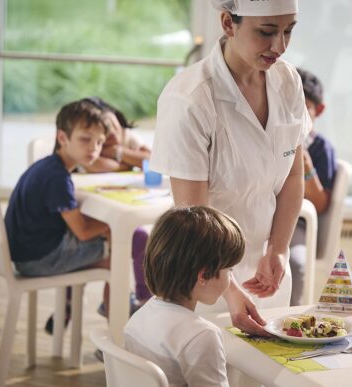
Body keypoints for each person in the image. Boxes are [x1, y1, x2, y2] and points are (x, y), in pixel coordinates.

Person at [149, 0, 309, 335]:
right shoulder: (190, 99)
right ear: (227, 23)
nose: (279, 45)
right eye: (266, 32)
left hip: (270, 267)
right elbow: (194, 217)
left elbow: (293, 175)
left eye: (288, 30)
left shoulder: (287, 81)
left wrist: (278, 250)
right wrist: (229, 288)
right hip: (208, 274)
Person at [4, 100, 112, 329]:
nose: (94, 148)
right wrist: (110, 225)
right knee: (115, 254)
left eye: (100, 142)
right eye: (85, 139)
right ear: (63, 138)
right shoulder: (57, 178)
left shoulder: (48, 167)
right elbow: (82, 232)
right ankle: (119, 328)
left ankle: (68, 306)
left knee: (100, 243)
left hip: (26, 253)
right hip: (38, 260)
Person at [124, 206, 244, 387]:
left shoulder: (140, 315)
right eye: (229, 270)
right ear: (203, 275)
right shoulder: (202, 335)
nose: (230, 278)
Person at [79, 97, 153, 308]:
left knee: (141, 239)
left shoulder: (128, 137)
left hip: (120, 209)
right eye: (106, 128)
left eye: (115, 125)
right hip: (91, 217)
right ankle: (76, 304)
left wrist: (119, 153)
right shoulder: (93, 144)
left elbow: (151, 159)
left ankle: (142, 299)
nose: (112, 132)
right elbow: (96, 165)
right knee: (130, 242)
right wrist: (126, 162)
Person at [289, 67, 337, 305]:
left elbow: (320, 204)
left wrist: (306, 167)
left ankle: (291, 317)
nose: (295, 115)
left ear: (319, 110)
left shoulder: (321, 149)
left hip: (297, 223)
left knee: (296, 264)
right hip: (259, 218)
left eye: (304, 108)